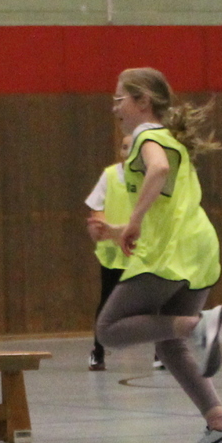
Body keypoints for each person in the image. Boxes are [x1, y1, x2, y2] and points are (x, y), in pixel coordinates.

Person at [90, 68, 222, 443]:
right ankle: (221, 426)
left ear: (143, 102)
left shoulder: (146, 136)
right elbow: (169, 205)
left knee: (108, 330)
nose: (114, 108)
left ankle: (201, 325)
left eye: (119, 98)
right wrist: (118, 230)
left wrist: (136, 222)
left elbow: (156, 170)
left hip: (170, 252)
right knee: (170, 343)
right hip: (197, 247)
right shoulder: (170, 139)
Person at [84, 139, 134, 371]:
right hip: (114, 251)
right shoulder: (110, 175)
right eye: (124, 146)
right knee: (107, 302)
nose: (128, 150)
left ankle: (160, 354)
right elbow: (96, 206)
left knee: (153, 302)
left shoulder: (148, 177)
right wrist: (106, 229)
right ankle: (98, 351)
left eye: (133, 146)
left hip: (141, 250)